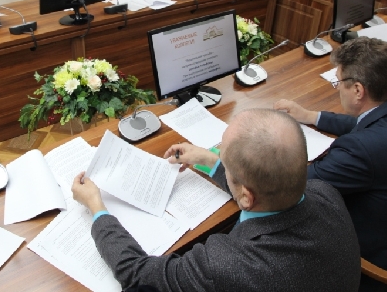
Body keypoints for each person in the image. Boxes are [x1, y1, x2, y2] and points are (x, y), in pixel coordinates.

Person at [72, 108, 361, 292]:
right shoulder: (327, 193)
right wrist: (209, 161)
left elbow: (137, 274)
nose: (218, 151)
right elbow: (257, 188)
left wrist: (98, 210)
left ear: (246, 196)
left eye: (222, 153)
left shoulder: (225, 265)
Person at [274, 37, 387, 292]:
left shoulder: (360, 151)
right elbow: (369, 121)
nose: (338, 88)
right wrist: (311, 116)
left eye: (339, 82)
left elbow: (291, 187)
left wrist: (218, 164)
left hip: (379, 267)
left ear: (358, 91)